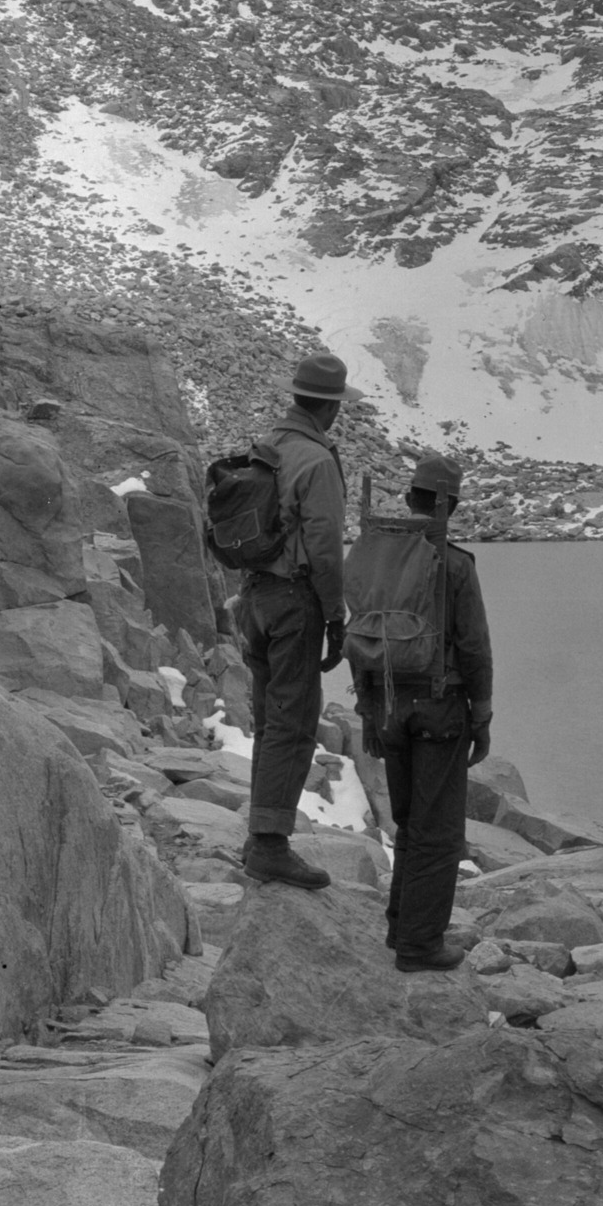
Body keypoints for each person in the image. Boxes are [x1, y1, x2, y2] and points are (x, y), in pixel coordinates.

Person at [354, 453, 494, 971]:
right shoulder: (454, 564)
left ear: (411, 498)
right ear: (449, 506)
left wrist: (369, 711)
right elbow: (474, 647)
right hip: (439, 713)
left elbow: (364, 636)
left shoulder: (377, 556)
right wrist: (481, 715)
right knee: (438, 834)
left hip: (388, 706)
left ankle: (400, 927)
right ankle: (419, 945)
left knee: (410, 823)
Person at [238, 351, 361, 888]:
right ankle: (269, 846)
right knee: (293, 722)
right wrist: (335, 616)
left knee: (269, 722)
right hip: (294, 602)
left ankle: (260, 833)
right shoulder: (316, 460)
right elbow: (326, 550)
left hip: (254, 600)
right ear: (331, 408)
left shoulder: (267, 448)